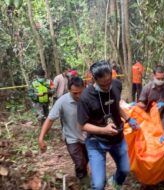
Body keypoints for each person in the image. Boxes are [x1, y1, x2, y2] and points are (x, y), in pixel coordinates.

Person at [77, 60, 139, 190]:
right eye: (103, 84)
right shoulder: (86, 97)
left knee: (125, 170)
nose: (106, 87)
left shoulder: (116, 85)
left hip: (117, 138)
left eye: (108, 82)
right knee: (99, 185)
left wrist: (128, 119)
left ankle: (114, 183)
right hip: (96, 141)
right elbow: (82, 126)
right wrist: (103, 130)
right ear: (94, 79)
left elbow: (116, 105)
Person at [38, 77, 89, 188]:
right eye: (75, 93)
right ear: (69, 90)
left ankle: (83, 173)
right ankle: (84, 184)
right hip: (71, 138)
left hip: (88, 137)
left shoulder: (88, 97)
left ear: (84, 87)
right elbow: (50, 119)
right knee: (80, 163)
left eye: (81, 92)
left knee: (86, 160)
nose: (78, 96)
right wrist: (41, 138)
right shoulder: (62, 101)